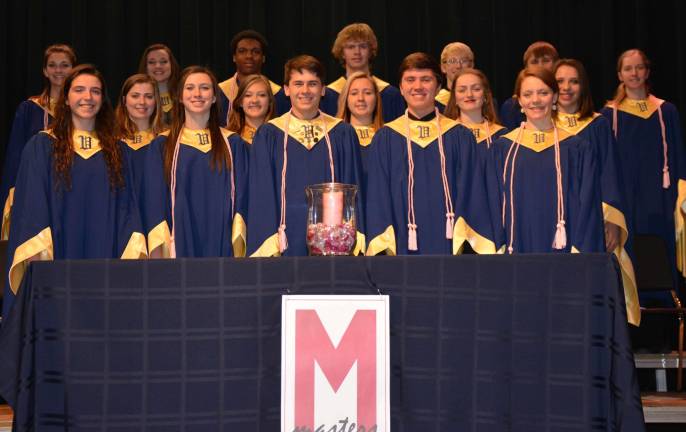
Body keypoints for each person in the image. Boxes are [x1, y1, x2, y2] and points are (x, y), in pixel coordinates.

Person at [2, 64, 147, 318]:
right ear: (66, 98)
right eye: (79, 90)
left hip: (105, 260)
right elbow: (32, 208)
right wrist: (42, 270)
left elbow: (128, 211)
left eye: (95, 91)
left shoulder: (118, 151)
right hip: (57, 261)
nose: (87, 98)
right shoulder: (42, 146)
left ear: (103, 99)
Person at [365, 53, 500, 256]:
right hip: (401, 246)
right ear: (401, 88)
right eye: (410, 80)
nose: (418, 86)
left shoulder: (460, 137)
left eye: (426, 80)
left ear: (438, 88)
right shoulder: (385, 138)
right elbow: (378, 197)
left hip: (450, 248)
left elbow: (472, 194)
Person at [247, 55, 365, 257]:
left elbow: (353, 190)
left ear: (323, 89)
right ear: (286, 89)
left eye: (312, 84)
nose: (305, 91)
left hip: (334, 244)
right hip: (283, 238)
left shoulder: (342, 134)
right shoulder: (269, 135)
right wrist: (268, 242)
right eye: (298, 84)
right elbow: (261, 195)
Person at [552, 59, 638, 324]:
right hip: (553, 220)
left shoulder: (597, 124)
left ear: (583, 86)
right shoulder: (541, 127)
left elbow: (610, 173)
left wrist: (612, 221)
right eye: (560, 82)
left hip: (591, 217)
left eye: (574, 81)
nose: (566, 88)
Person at [600, 49, 686, 301]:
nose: (634, 73)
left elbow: (678, 156)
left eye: (639, 68)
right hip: (624, 199)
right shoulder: (608, 115)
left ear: (647, 72)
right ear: (619, 74)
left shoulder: (665, 111)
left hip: (660, 198)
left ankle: (665, 328)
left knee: (661, 251)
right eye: (628, 68)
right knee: (627, 253)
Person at [492, 67, 604, 259]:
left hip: (565, 254)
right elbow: (493, 207)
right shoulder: (503, 149)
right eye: (528, 94)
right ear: (519, 100)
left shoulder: (577, 149)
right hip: (515, 251)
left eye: (543, 93)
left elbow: (589, 208)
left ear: (554, 97)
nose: (535, 100)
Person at [141, 66, 248, 258]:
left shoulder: (233, 144)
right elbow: (154, 203)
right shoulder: (162, 146)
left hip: (222, 243)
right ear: (180, 97)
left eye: (205, 88)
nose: (197, 94)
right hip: (179, 241)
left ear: (215, 97)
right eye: (190, 88)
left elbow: (243, 199)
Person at [1, 44, 76, 240]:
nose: (58, 70)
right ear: (45, 70)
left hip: (72, 188)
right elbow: (15, 156)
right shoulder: (29, 109)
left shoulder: (83, 109)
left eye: (64, 65)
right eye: (52, 65)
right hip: (38, 187)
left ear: (73, 69)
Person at [318, 23, 404, 122]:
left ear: (371, 51)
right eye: (350, 47)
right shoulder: (327, 96)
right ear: (342, 53)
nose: (357, 52)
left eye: (363, 46)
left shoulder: (390, 95)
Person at [114, 73, 164, 196]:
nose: (142, 102)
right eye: (135, 96)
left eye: (148, 96)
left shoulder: (167, 140)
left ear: (156, 101)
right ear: (124, 100)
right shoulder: (111, 141)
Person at [218, 30, 281, 127]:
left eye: (256, 52)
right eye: (242, 51)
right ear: (234, 57)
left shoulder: (279, 95)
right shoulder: (219, 93)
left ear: (263, 58)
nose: (249, 56)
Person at [500, 41, 559, 129]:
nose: (540, 66)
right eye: (534, 62)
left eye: (546, 61)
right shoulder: (512, 106)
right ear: (526, 66)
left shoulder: (567, 98)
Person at [443, 68, 506, 149]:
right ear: (454, 97)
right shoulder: (444, 135)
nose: (469, 94)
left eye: (476, 89)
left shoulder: (500, 135)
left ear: (485, 95)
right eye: (462, 90)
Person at [336, 71, 384, 173]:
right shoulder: (334, 138)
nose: (361, 98)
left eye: (367, 93)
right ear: (346, 99)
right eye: (354, 93)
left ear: (376, 99)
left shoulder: (388, 137)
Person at [138, 43, 180, 125]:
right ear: (145, 66)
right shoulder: (136, 96)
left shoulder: (184, 93)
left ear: (172, 64)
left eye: (163, 61)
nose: (158, 66)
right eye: (152, 62)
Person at [226, 74, 275, 144]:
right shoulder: (227, 138)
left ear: (270, 101)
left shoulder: (280, 136)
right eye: (248, 95)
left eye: (261, 95)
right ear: (240, 102)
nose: (254, 100)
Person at [436, 42, 474, 111]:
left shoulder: (483, 101)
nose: (458, 66)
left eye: (463, 61)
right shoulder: (435, 103)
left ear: (471, 66)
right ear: (443, 67)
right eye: (452, 61)